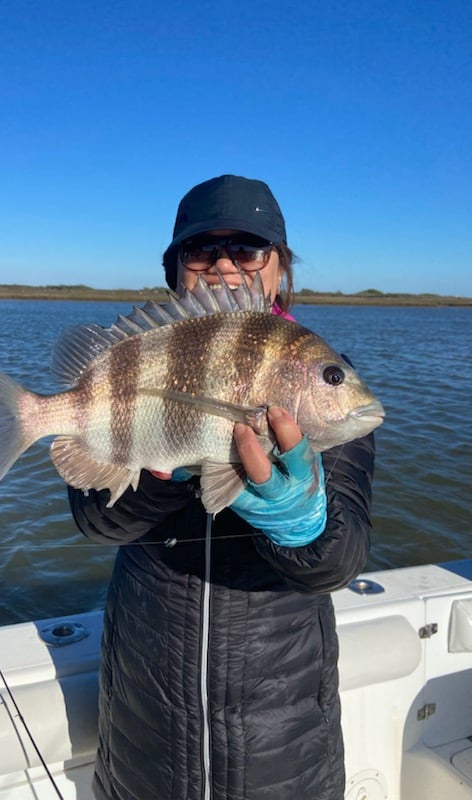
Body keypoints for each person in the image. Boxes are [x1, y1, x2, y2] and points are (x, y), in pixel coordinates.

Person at [69, 174, 375, 800]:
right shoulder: (140, 357)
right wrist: (158, 473)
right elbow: (94, 522)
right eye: (202, 250)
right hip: (145, 711)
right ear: (176, 270)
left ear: (279, 269)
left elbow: (338, 563)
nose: (225, 266)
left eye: (248, 249)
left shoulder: (316, 375)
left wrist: (303, 518)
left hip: (280, 732)